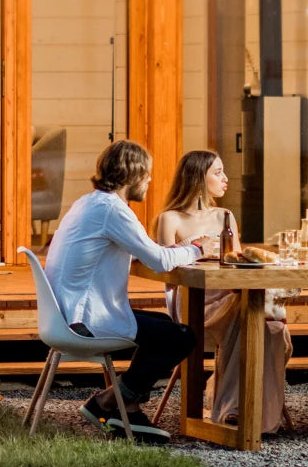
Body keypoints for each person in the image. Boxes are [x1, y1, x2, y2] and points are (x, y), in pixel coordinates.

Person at [45, 139, 216, 443]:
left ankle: (120, 402)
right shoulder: (113, 210)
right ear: (134, 174)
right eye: (147, 174)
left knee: (164, 326)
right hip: (85, 321)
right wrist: (196, 248)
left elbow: (142, 251)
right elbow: (160, 261)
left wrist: (173, 250)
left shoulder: (88, 203)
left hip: (66, 314)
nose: (150, 180)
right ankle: (115, 403)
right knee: (183, 336)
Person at [155, 150, 293, 433]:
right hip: (194, 302)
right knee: (261, 318)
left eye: (223, 171)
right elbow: (167, 274)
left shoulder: (225, 216)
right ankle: (242, 410)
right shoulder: (171, 219)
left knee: (262, 324)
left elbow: (238, 264)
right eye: (217, 172)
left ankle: (239, 412)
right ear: (197, 177)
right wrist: (194, 250)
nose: (225, 178)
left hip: (230, 294)